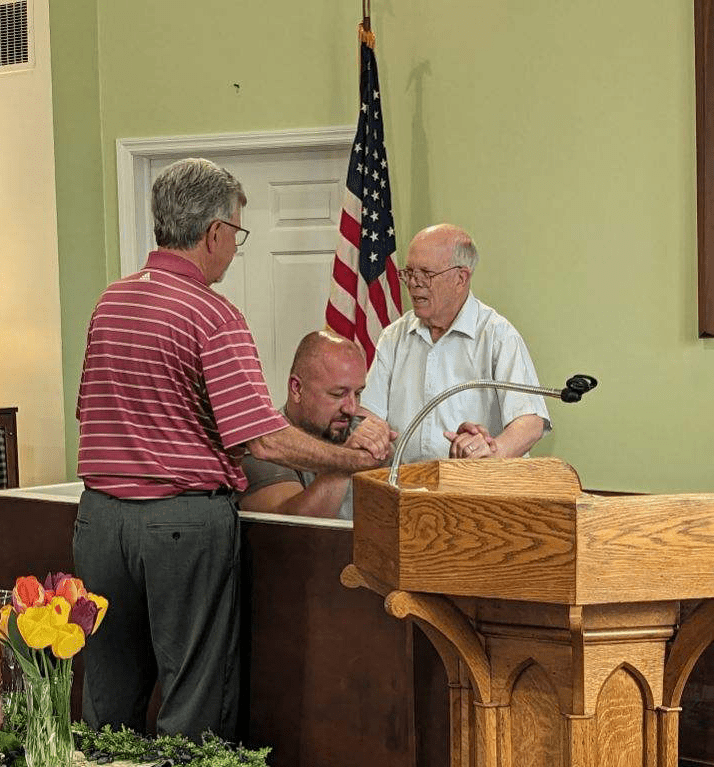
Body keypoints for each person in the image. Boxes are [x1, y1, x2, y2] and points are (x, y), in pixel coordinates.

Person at [73, 158, 393, 744]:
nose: (234, 250)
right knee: (195, 702)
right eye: (237, 235)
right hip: (180, 526)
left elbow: (90, 414)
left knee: (108, 698)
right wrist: (355, 458)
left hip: (99, 522)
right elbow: (260, 437)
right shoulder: (213, 314)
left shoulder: (110, 302)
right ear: (214, 232)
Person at [360, 223, 550, 465]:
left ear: (461, 278)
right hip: (402, 481)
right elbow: (369, 413)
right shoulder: (394, 336)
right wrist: (369, 432)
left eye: (426, 274)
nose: (414, 283)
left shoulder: (497, 335)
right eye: (409, 273)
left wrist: (491, 452)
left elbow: (530, 422)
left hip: (472, 483)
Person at [239, 330, 395, 519]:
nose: (352, 408)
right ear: (297, 389)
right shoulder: (265, 446)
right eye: (338, 394)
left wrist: (384, 450)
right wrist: (348, 463)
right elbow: (293, 529)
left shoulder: (358, 431)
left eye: (358, 394)